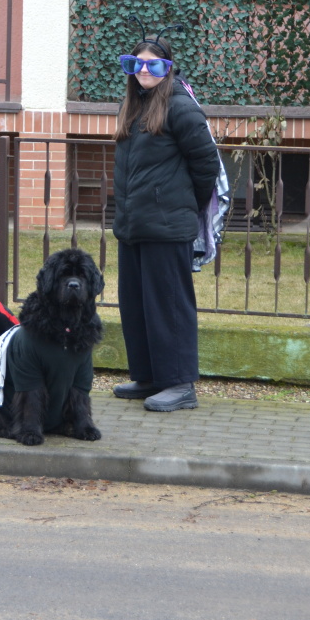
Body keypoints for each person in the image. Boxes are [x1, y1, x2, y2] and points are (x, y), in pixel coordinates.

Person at [111, 24, 220, 412]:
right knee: (136, 304)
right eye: (135, 64)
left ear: (168, 69)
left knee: (168, 306)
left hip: (167, 225)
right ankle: (149, 377)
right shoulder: (134, 105)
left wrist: (182, 205)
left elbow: (206, 165)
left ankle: (179, 384)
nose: (144, 71)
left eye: (154, 65)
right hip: (133, 225)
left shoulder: (181, 106)